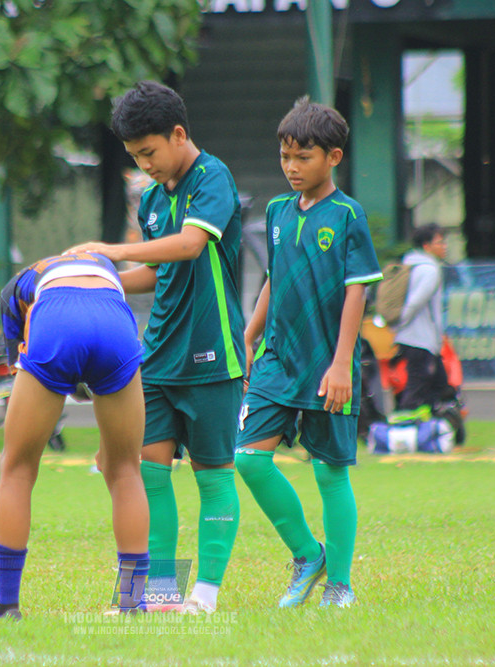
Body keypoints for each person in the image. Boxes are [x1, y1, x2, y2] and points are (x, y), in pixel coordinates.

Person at [66, 80, 245, 614]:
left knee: (212, 475)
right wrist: (100, 277)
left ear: (178, 134)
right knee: (148, 470)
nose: (144, 165)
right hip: (158, 354)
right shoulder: (150, 199)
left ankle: (205, 597)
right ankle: (160, 593)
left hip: (214, 352)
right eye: (135, 156)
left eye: (149, 152)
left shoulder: (213, 177)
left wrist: (111, 247)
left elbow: (190, 246)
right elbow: (155, 269)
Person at [236, 97, 382, 609]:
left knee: (328, 471)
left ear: (333, 157)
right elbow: (275, 279)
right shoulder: (276, 212)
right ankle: (307, 554)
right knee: (248, 458)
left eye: (304, 157)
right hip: (278, 358)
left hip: (328, 364)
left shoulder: (347, 215)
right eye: (285, 157)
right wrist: (250, 334)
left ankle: (339, 584)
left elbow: (357, 291)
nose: (292, 168)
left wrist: (342, 364)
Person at [0, 252, 148, 619]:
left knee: (17, 468)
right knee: (126, 470)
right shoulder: (100, 266)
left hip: (57, 320)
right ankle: (133, 603)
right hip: (113, 319)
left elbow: (21, 364)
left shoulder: (18, 288)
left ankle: (7, 606)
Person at [392, 223, 448, 412]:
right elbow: (416, 303)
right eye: (439, 242)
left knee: (437, 381)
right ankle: (403, 428)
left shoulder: (409, 265)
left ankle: (427, 423)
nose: (444, 246)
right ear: (426, 246)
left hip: (411, 338)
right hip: (420, 339)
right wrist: (400, 324)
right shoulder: (430, 270)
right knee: (418, 384)